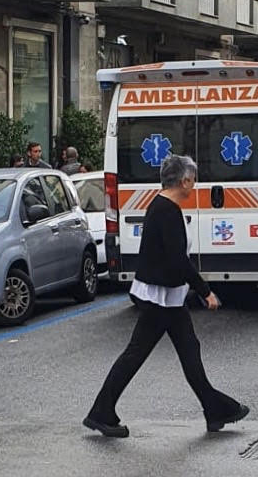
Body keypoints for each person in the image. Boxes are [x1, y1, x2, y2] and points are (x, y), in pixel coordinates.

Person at [84, 154, 248, 438]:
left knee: (187, 351)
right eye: (193, 179)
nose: (194, 185)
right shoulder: (167, 210)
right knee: (137, 355)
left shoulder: (162, 206)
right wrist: (205, 290)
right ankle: (101, 411)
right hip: (161, 296)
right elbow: (178, 260)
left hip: (166, 295)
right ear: (184, 180)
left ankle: (215, 408)